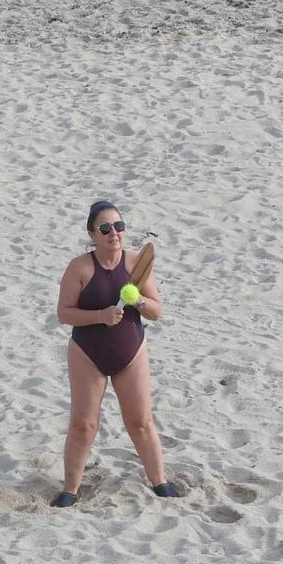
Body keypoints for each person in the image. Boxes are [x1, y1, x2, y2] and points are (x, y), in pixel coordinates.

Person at [53, 201, 178, 507]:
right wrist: (101, 316)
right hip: (87, 353)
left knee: (141, 422)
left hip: (131, 352)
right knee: (83, 425)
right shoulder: (79, 268)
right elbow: (64, 313)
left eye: (119, 226)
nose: (114, 234)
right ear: (92, 234)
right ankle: (70, 489)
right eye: (105, 228)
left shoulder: (136, 264)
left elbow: (156, 311)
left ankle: (160, 482)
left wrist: (139, 302)